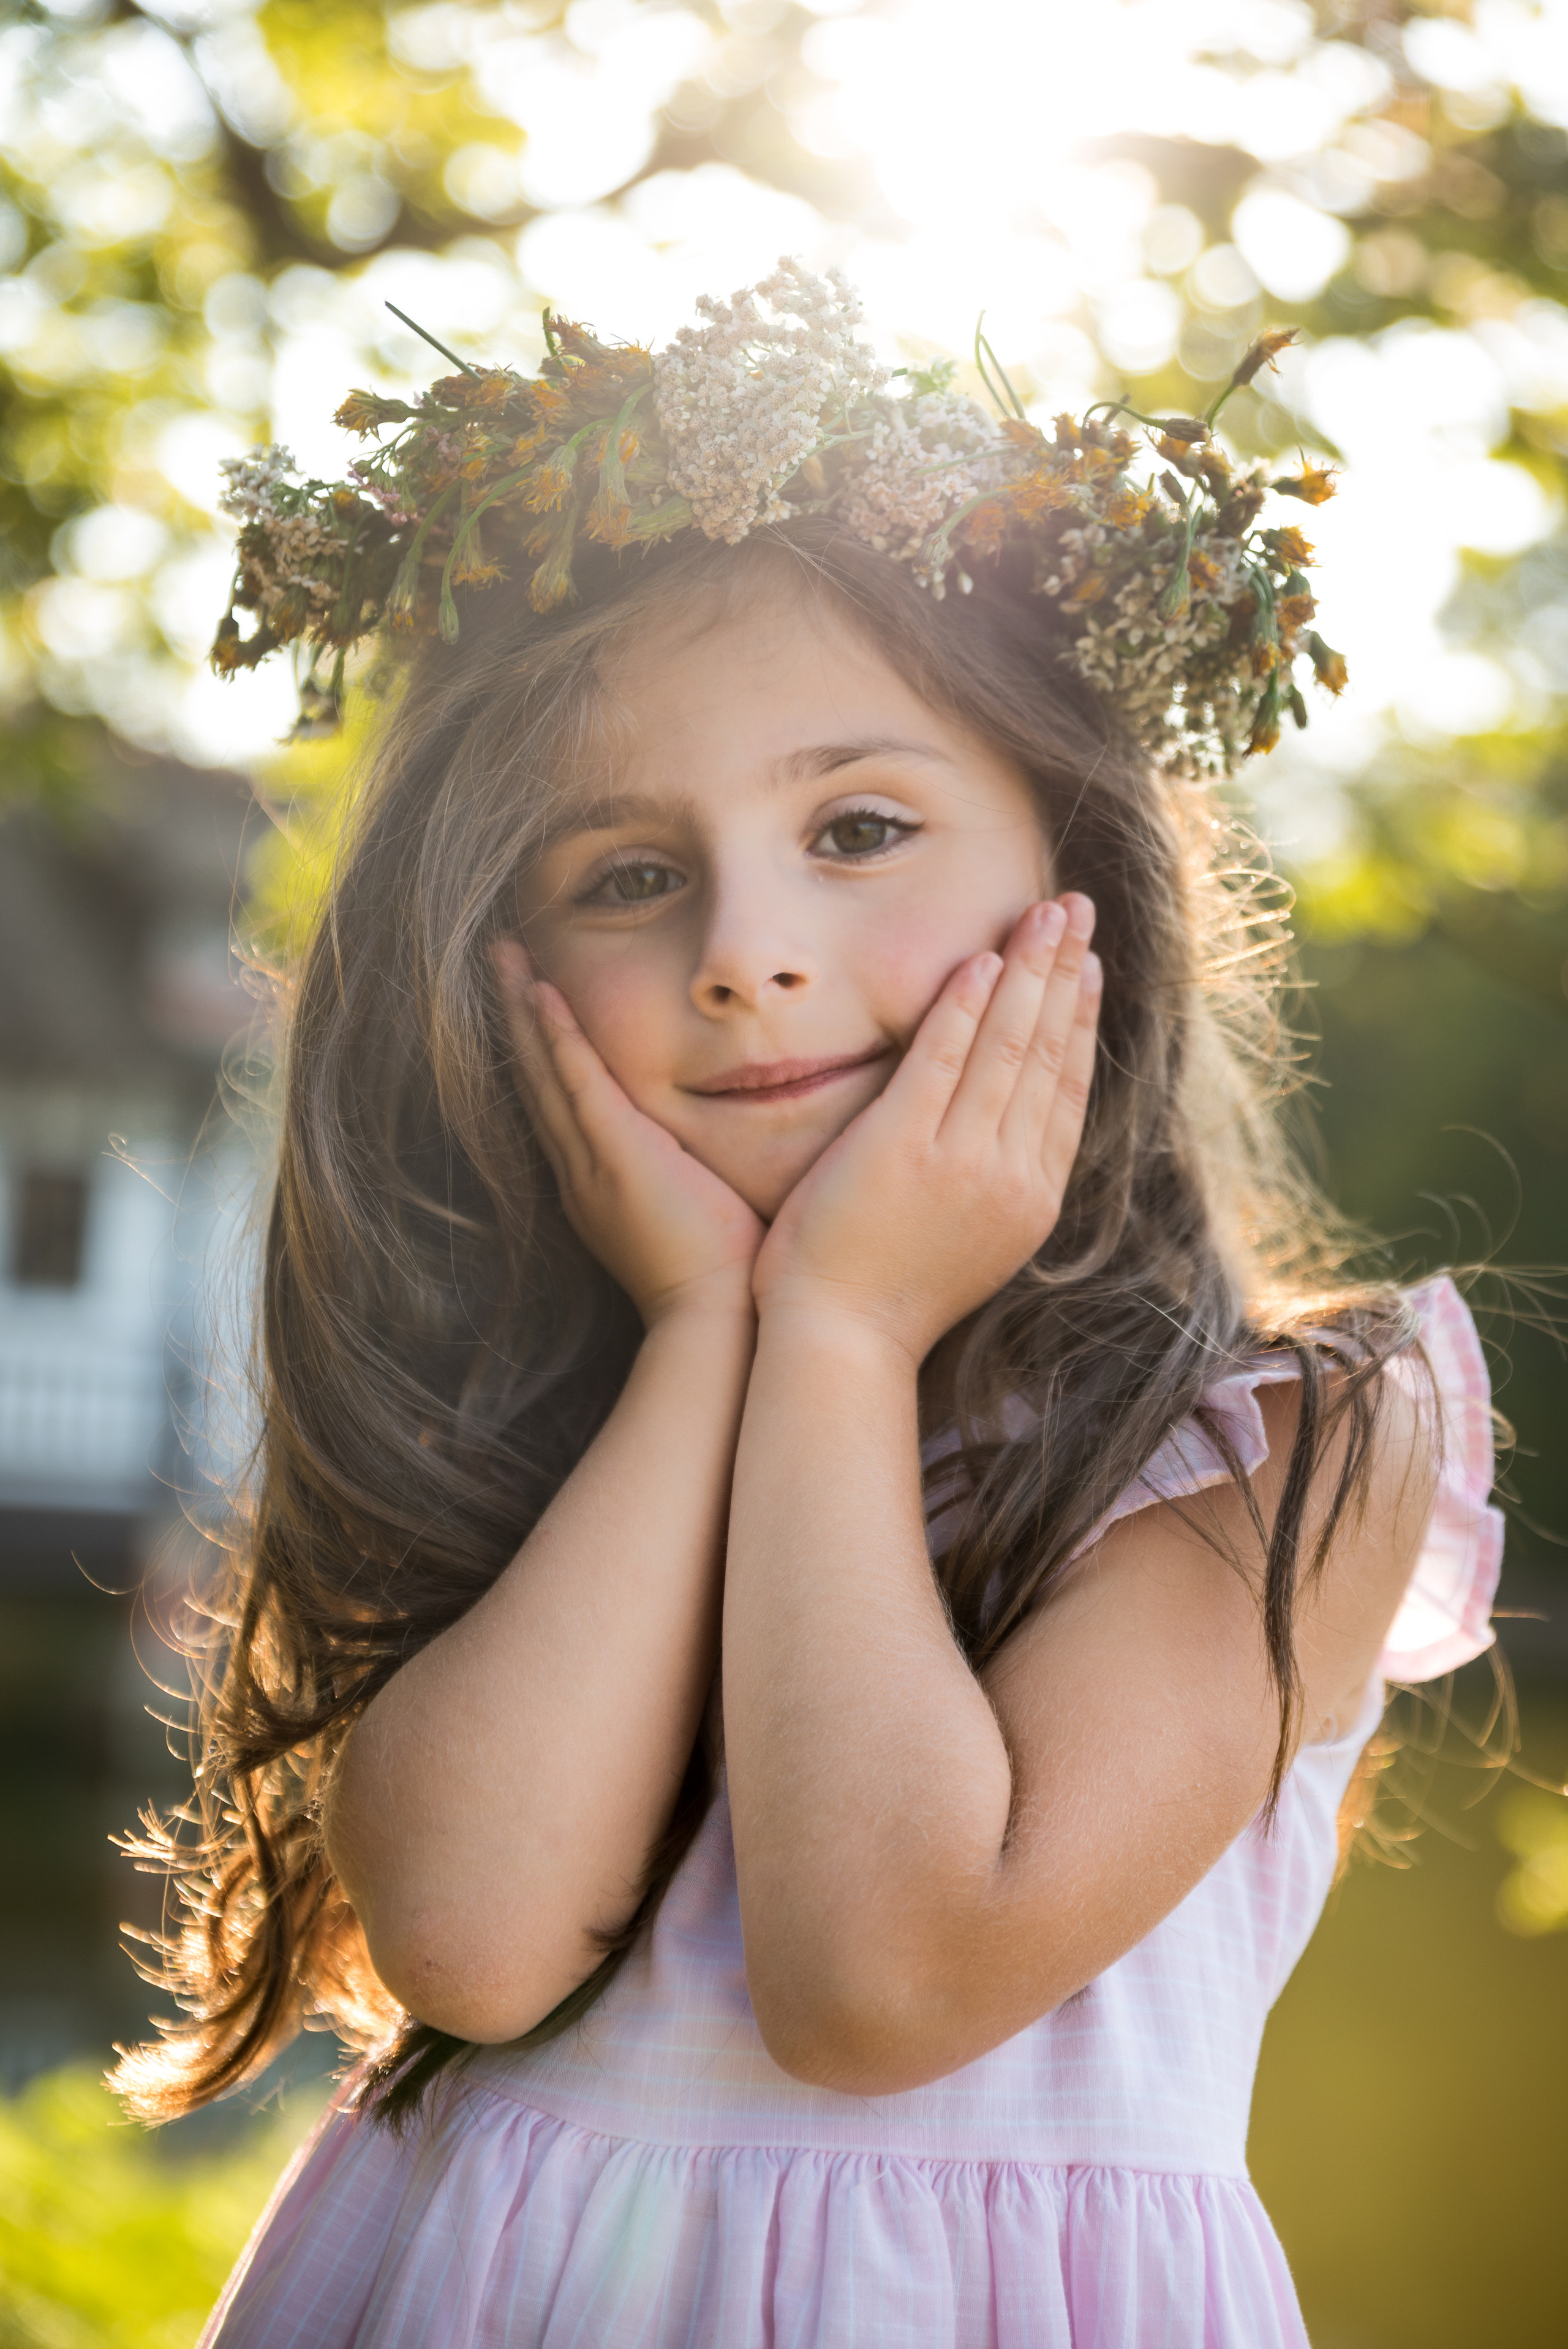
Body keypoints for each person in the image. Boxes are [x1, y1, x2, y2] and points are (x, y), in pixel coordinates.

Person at [119, 265, 1502, 2347]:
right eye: (626, 874)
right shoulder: (554, 1413)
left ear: (1081, 889)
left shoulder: (1297, 1435)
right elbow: (481, 1946)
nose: (747, 951)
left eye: (859, 827)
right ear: (501, 973)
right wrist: (715, 1340)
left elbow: (888, 1975)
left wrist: (844, 1334)